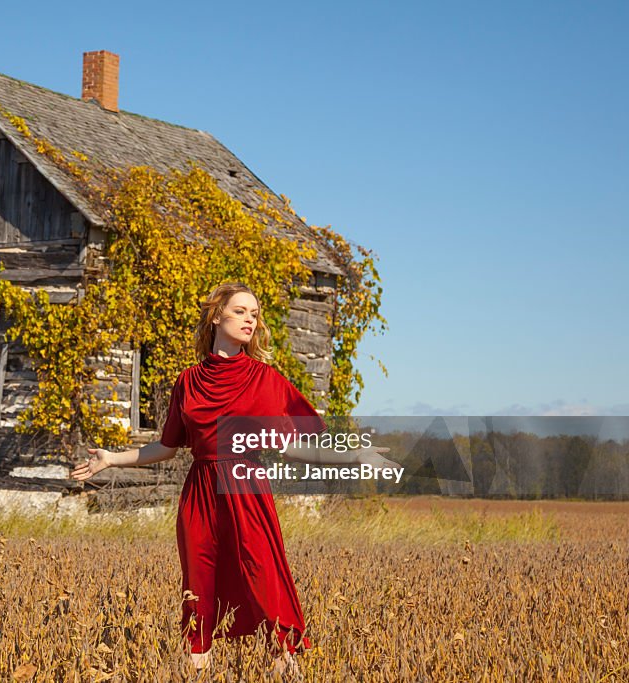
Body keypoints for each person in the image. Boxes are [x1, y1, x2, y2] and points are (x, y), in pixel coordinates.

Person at [70, 282, 398, 678]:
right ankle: (198, 666)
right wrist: (111, 459)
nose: (250, 320)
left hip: (247, 489)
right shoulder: (188, 381)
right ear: (216, 316)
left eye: (254, 314)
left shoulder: (265, 379)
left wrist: (355, 455)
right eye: (241, 311)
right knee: (199, 581)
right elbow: (167, 447)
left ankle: (284, 663)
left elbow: (293, 448)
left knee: (262, 575)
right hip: (200, 494)